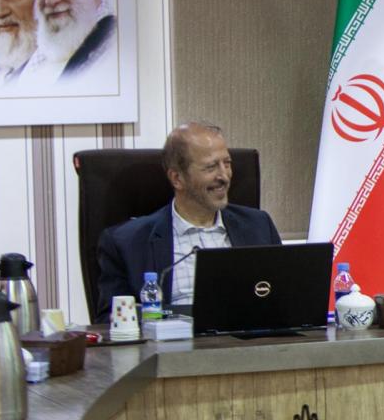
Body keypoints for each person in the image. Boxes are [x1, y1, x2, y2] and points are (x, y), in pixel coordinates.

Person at [96, 123, 281, 320]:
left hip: (247, 336)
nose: (224, 176)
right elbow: (111, 320)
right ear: (177, 178)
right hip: (175, 338)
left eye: (227, 163)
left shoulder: (258, 226)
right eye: (211, 167)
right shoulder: (126, 242)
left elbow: (285, 299)